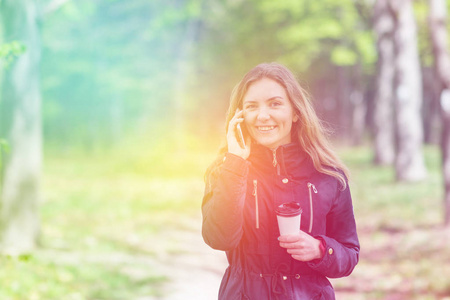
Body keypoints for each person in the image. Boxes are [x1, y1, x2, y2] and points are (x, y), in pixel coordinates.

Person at [201, 62, 360, 300]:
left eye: (275, 104)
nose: (263, 116)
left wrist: (319, 249)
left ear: (296, 112)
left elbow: (349, 255)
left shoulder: (328, 175)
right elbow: (219, 238)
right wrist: (235, 162)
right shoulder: (225, 170)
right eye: (251, 106)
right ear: (240, 115)